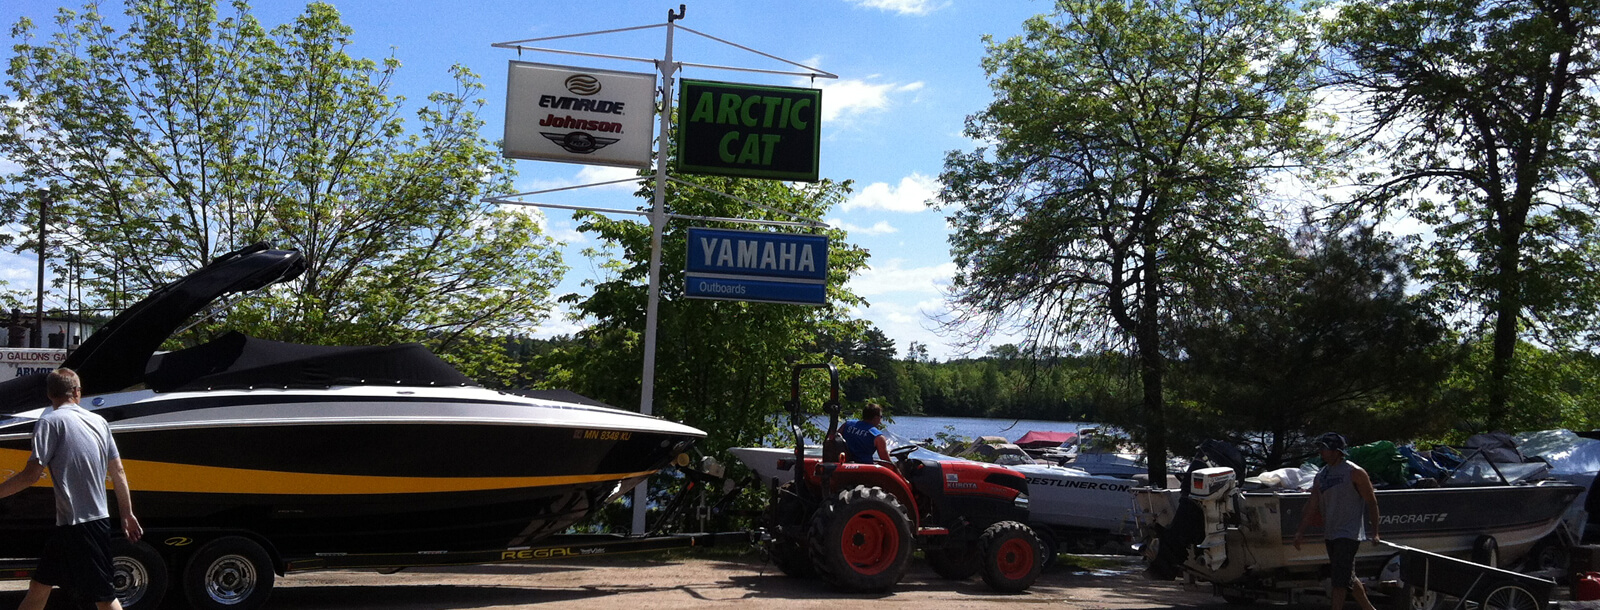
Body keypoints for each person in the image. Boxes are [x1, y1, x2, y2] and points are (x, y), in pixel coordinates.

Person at [0, 368, 141, 610]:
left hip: (81, 525)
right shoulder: (99, 422)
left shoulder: (49, 422)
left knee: (105, 598)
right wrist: (127, 513)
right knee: (39, 586)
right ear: (77, 392)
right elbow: (118, 471)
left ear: (49, 394)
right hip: (77, 524)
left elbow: (31, 475)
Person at [1294, 432, 1380, 610]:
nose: (1320, 452)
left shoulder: (1354, 472)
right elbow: (1312, 505)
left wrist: (1375, 532)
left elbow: (1371, 501)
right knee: (1347, 577)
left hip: (1348, 534)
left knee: (1339, 582)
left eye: (1324, 448)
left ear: (1336, 451)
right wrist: (1300, 531)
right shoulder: (1322, 475)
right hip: (1331, 533)